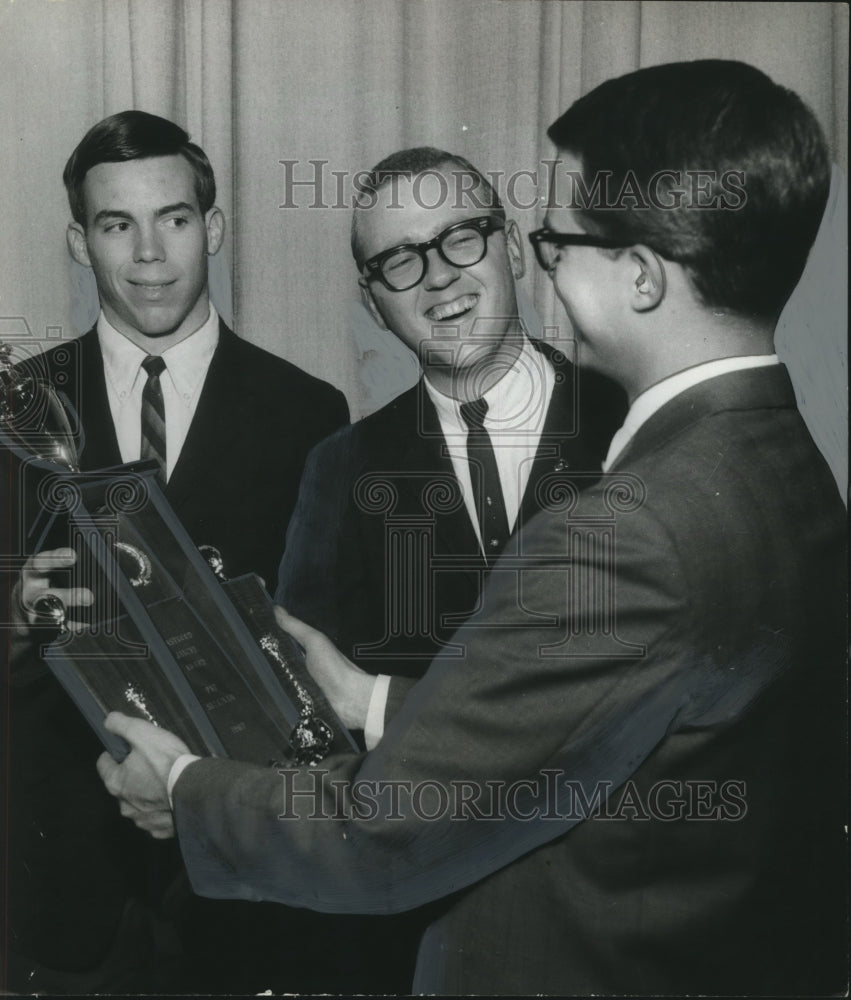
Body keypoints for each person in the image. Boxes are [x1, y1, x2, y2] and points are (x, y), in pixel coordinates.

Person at [99, 61, 845, 995]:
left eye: (552, 237)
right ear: (372, 294)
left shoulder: (628, 525)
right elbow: (583, 723)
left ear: (644, 278)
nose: (542, 257)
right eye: (400, 261)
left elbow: (386, 828)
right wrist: (370, 700)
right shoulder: (782, 457)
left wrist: (182, 793)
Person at [5, 111, 348, 994]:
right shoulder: (18, 407)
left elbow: (320, 644)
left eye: (175, 218)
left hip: (243, 870)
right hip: (62, 873)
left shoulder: (308, 412)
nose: (150, 252)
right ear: (80, 243)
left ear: (216, 228)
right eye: (118, 224)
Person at [273, 147, 625, 990]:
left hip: (617, 932)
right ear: (373, 300)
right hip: (420, 944)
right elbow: (308, 726)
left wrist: (382, 708)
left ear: (509, 244)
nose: (437, 278)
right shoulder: (339, 466)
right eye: (399, 259)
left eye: (459, 238)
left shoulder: (633, 423)